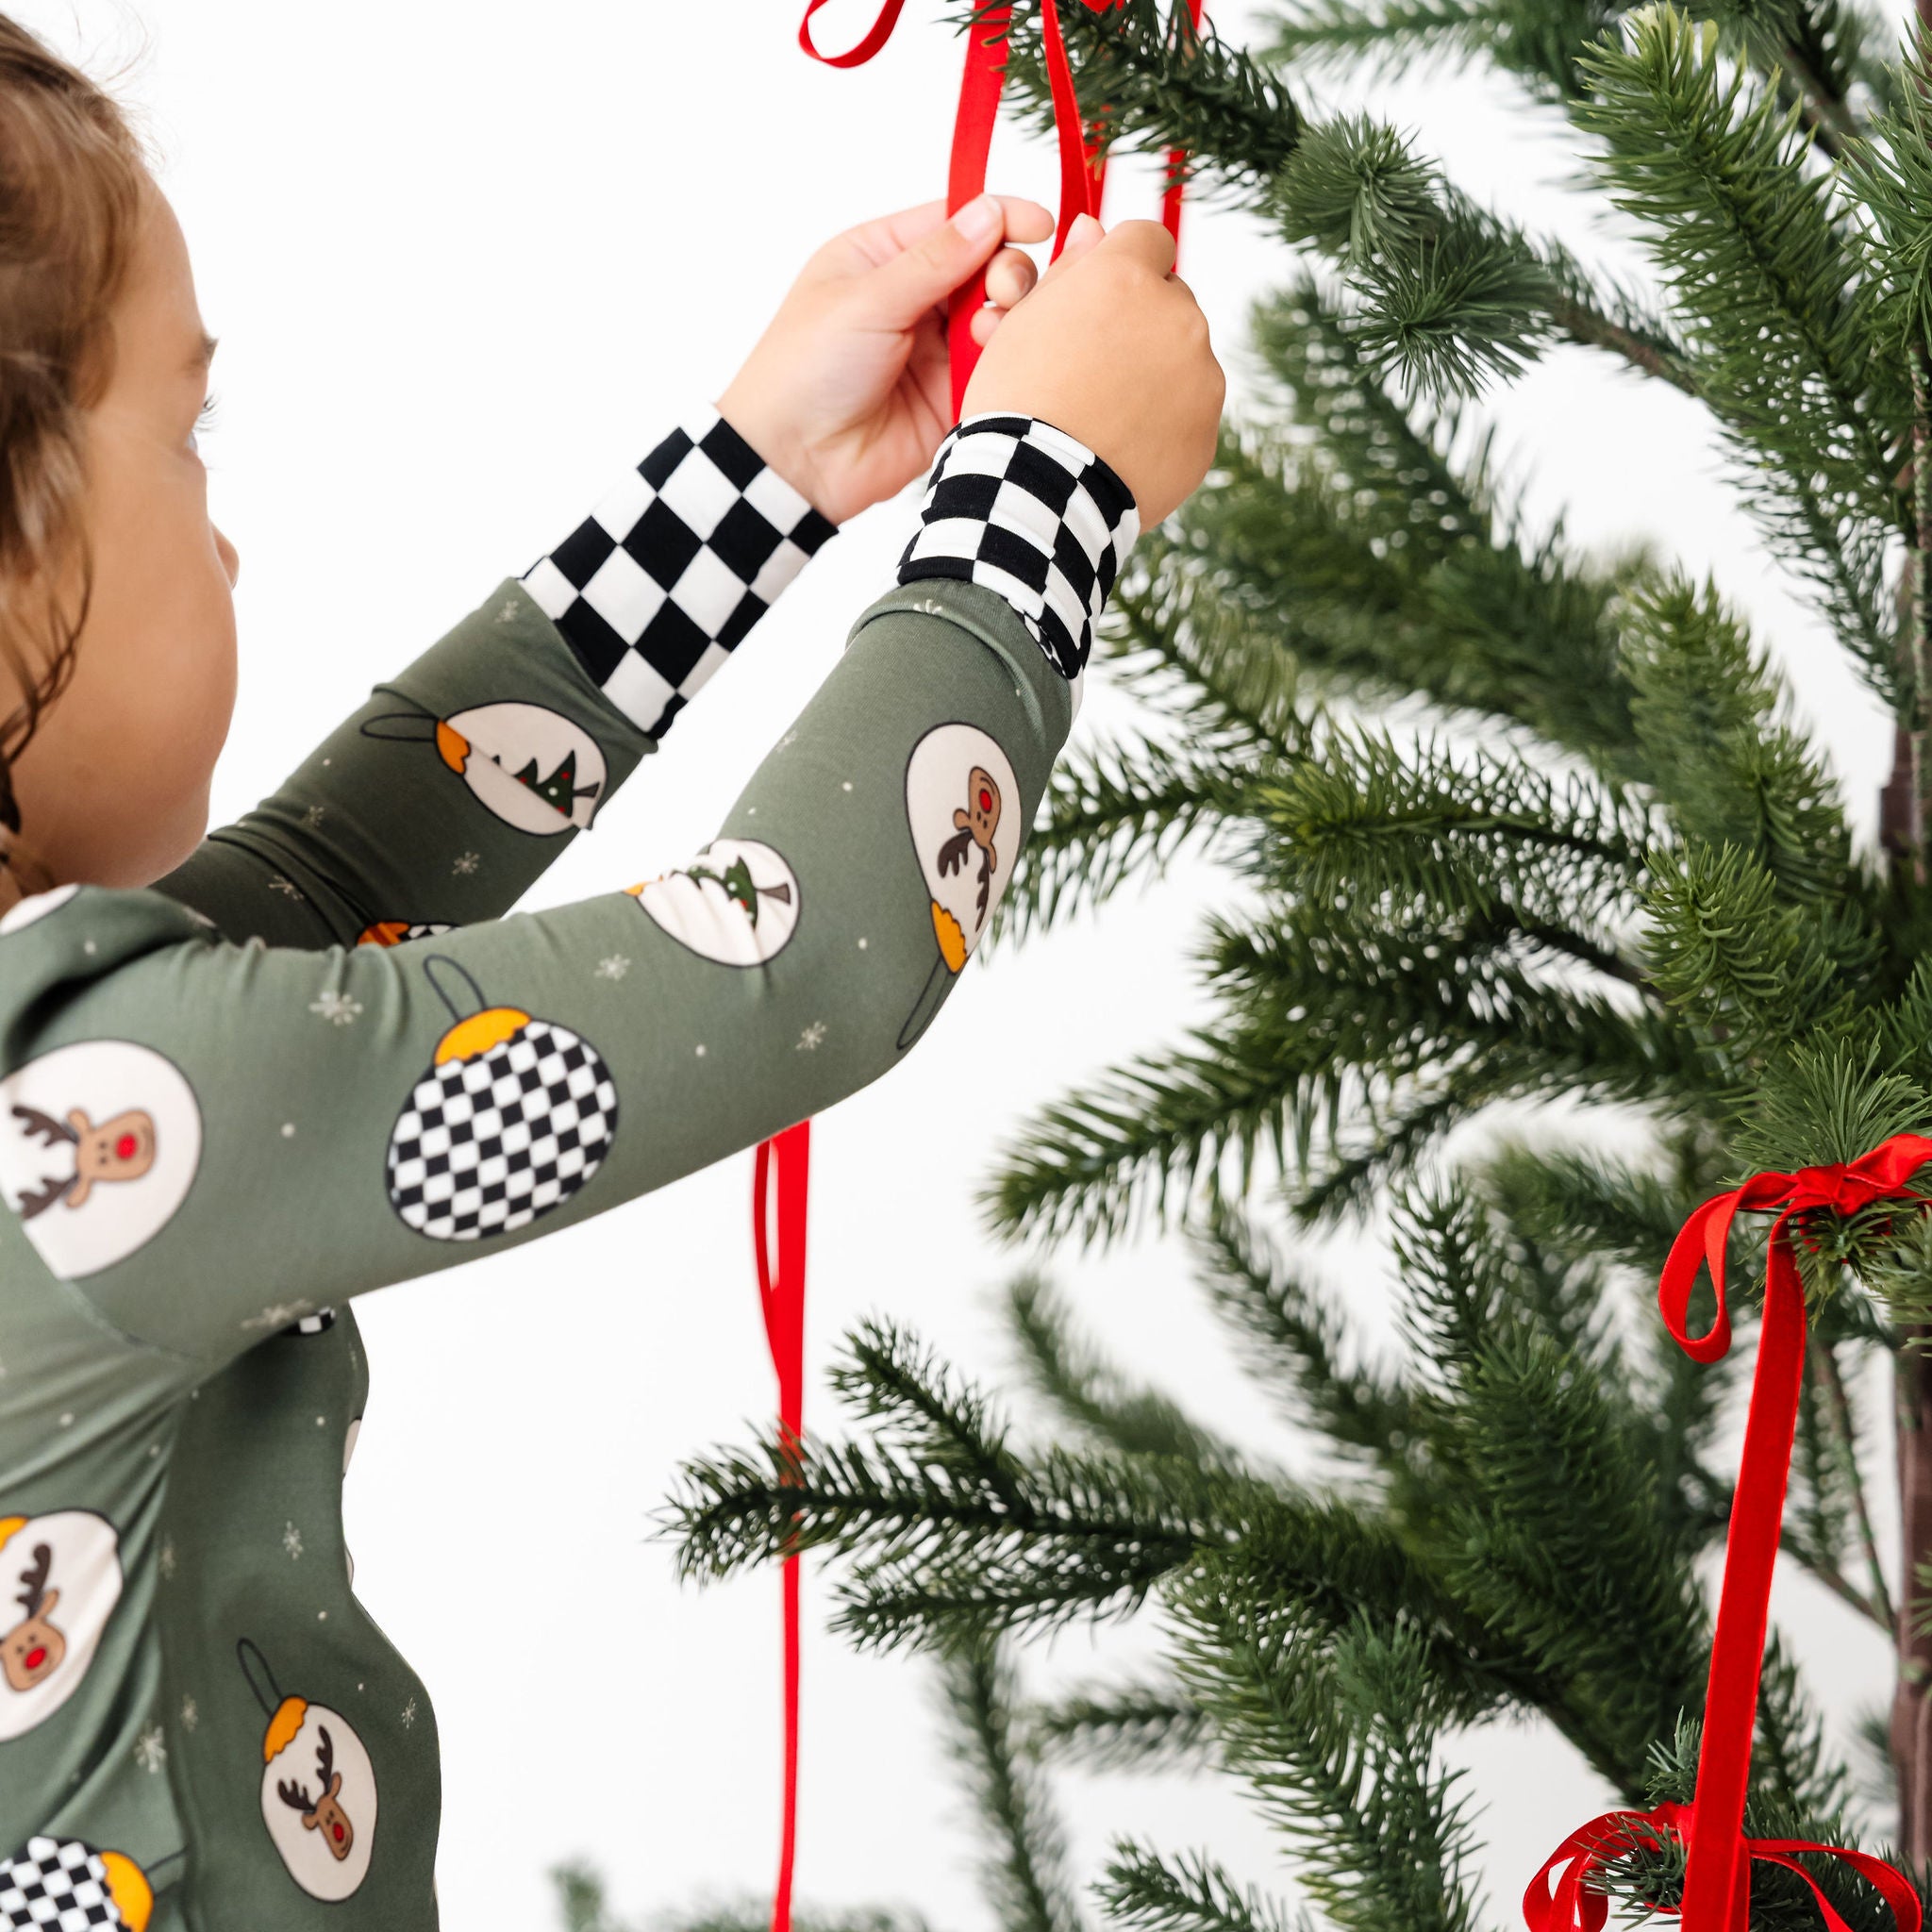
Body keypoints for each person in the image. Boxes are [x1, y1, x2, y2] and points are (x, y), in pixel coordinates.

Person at [0, 13, 1225, 1927]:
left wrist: (753, 482)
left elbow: (338, 883)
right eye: (183, 431)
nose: (223, 536)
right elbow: (800, 951)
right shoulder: (80, 1132)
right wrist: (1045, 495)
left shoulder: (66, 1064)